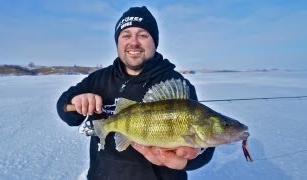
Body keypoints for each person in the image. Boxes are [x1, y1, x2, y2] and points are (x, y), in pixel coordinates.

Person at [57, 6, 215, 180]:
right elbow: (65, 113)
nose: (134, 42)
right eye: (126, 35)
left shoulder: (176, 83)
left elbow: (206, 148)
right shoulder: (98, 79)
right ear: (117, 42)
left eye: (142, 35)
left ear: (154, 41)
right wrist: (75, 99)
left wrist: (185, 162)